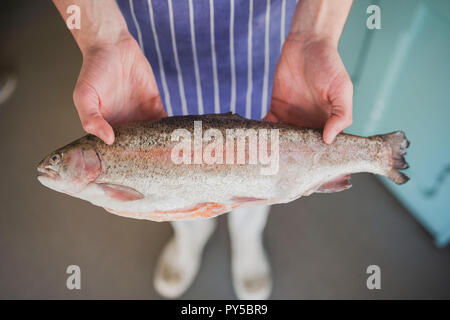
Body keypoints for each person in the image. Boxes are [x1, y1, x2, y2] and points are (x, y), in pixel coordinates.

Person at [53, 0, 354, 299]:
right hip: (144, 57)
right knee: (165, 184)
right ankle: (190, 234)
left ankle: (247, 236)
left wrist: (315, 37)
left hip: (266, 49)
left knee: (263, 170)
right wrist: (102, 40)